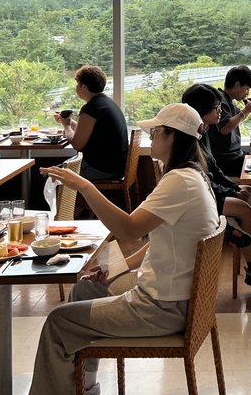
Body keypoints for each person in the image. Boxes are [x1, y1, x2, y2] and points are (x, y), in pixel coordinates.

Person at [29, 103, 218, 395]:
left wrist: (85, 186)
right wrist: (117, 267)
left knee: (58, 323)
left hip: (162, 307)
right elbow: (159, 238)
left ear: (172, 137)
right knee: (84, 290)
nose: (151, 138)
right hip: (175, 296)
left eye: (156, 133)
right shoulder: (192, 176)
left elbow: (129, 229)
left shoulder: (179, 182)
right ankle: (86, 387)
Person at [180, 83, 251, 289]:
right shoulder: (188, 140)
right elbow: (200, 181)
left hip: (209, 190)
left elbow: (214, 169)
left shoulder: (203, 130)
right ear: (201, 110)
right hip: (198, 197)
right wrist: (229, 191)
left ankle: (227, 223)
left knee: (249, 190)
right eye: (216, 109)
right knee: (244, 209)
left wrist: (234, 188)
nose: (221, 112)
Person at [54, 65, 129, 182]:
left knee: (51, 176)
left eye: (77, 83)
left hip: (101, 168)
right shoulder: (106, 103)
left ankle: (67, 201)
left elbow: (77, 144)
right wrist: (69, 122)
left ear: (84, 87)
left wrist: (66, 126)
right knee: (56, 171)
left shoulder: (91, 108)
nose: (76, 87)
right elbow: (91, 130)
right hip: (116, 167)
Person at [206, 65, 251, 177]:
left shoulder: (229, 101)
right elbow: (225, 128)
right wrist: (245, 111)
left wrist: (246, 110)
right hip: (226, 160)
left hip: (234, 156)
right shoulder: (220, 101)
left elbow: (237, 119)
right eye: (247, 88)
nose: (247, 93)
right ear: (237, 85)